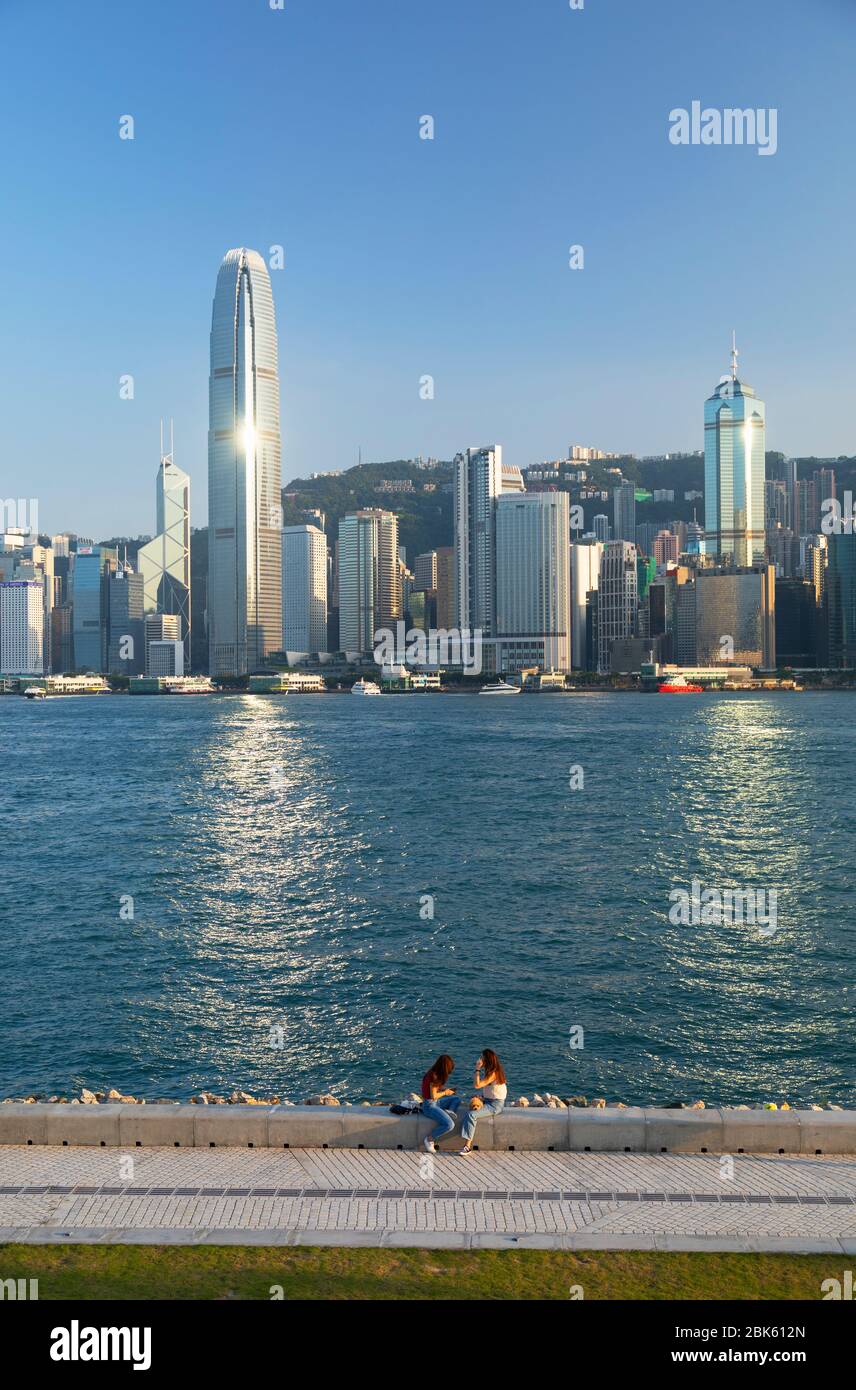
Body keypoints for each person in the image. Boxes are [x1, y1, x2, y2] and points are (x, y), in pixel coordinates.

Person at [458, 1049, 507, 1155]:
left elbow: (477, 1085)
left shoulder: (493, 1073)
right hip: (488, 1100)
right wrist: (482, 1097)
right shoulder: (493, 1070)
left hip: (495, 1104)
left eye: (482, 1057)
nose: (480, 1059)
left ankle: (467, 1146)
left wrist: (477, 1069)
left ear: (487, 1060)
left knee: (471, 1115)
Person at [420, 1054, 462, 1152]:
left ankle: (449, 1111)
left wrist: (446, 1090)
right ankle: (429, 1139)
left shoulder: (434, 1072)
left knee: (456, 1099)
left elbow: (435, 1089)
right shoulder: (433, 1076)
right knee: (449, 1125)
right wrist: (446, 1092)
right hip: (429, 1106)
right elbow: (433, 1095)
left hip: (435, 1102)